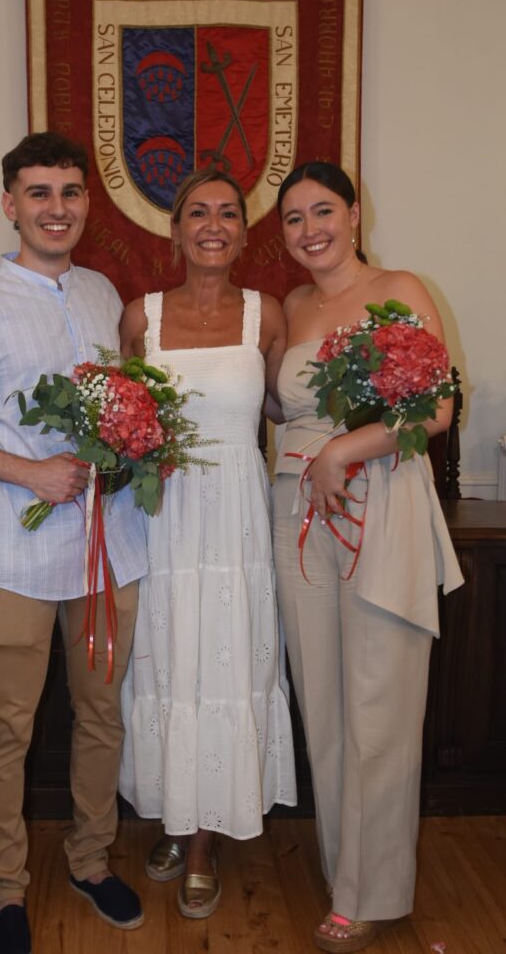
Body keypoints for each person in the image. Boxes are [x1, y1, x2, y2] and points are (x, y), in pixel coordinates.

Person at [0, 132, 148, 954]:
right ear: (10, 204)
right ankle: (5, 889)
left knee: (102, 714)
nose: (56, 207)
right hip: (16, 551)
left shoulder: (101, 294)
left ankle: (90, 859)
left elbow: (121, 408)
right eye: (39, 193)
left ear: (87, 204)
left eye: (70, 192)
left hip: (109, 547)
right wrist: (29, 472)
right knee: (7, 723)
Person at [270, 161, 463, 952]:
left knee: (379, 703)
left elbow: (436, 408)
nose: (309, 229)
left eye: (322, 210)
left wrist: (342, 450)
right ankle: (341, 868)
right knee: (321, 702)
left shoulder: (400, 288)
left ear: (354, 214)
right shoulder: (291, 305)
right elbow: (279, 407)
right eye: (292, 218)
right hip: (295, 511)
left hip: (377, 498)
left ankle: (371, 891)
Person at [118, 168, 297, 920]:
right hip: (163, 513)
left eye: (228, 213)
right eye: (198, 213)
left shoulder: (267, 314)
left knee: (226, 662)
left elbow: (286, 407)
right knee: (169, 662)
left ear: (245, 232)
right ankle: (174, 814)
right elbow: (124, 418)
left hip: (236, 517)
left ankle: (202, 843)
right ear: (175, 229)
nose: (213, 226)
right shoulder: (140, 317)